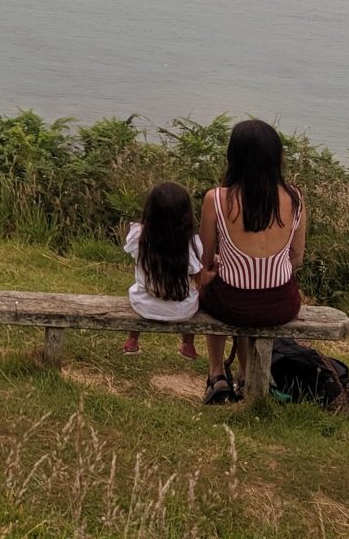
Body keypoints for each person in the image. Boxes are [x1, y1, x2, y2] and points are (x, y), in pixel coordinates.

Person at [197, 119, 307, 404]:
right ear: (276, 157)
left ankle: (217, 373)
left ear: (233, 156)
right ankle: (246, 374)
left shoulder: (216, 199)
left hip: (232, 304)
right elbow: (296, 257)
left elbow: (205, 261)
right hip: (281, 305)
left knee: (215, 287)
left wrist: (225, 266)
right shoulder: (295, 198)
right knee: (245, 294)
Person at [121, 181, 202, 359]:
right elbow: (197, 275)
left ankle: (132, 341)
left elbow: (136, 257)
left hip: (143, 305)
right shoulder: (192, 244)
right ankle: (188, 344)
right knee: (194, 291)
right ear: (186, 214)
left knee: (139, 285)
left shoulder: (139, 237)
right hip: (183, 310)